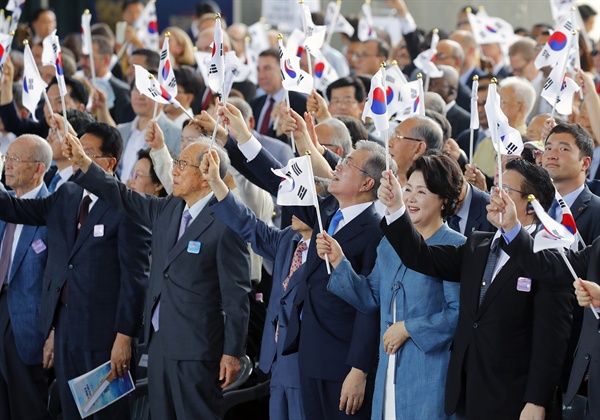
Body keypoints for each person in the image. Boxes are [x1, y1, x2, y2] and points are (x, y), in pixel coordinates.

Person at [64, 127, 251, 419]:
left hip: (199, 349)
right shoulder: (169, 208)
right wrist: (86, 165)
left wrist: (232, 352)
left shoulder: (228, 221)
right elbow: (121, 195)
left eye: (182, 165)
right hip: (160, 343)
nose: (173, 171)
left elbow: (237, 295)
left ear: (206, 173)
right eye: (176, 162)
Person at [218, 102, 385, 419]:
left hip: (341, 365)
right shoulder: (329, 215)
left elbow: (370, 308)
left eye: (347, 164)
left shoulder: (377, 232)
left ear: (367, 184)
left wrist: (359, 370)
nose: (337, 167)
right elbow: (279, 184)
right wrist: (242, 135)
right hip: (307, 357)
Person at [377, 157, 571, 419]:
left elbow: (551, 340)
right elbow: (420, 257)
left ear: (531, 204)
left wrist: (536, 400)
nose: (496, 195)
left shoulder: (550, 258)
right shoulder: (478, 244)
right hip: (468, 394)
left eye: (507, 190)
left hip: (515, 400)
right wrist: (396, 208)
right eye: (495, 188)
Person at [0, 121, 151, 420]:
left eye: (89, 152)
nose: (80, 156)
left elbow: (136, 281)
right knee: (71, 413)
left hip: (106, 338)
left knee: (106, 414)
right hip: (67, 330)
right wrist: (54, 330)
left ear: (110, 162)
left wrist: (124, 338)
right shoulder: (68, 195)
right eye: (78, 149)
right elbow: (18, 210)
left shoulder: (127, 207)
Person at [316, 152, 465, 419]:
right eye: (408, 189)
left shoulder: (457, 245)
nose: (410, 198)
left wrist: (409, 328)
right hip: (387, 371)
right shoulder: (389, 243)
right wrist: (339, 262)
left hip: (431, 373)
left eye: (422, 191)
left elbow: (459, 313)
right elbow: (369, 298)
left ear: (444, 199)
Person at [201, 148, 310, 419]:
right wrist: (216, 183)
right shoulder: (288, 239)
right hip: (276, 364)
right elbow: (249, 225)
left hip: (307, 366)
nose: (287, 208)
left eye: (297, 202)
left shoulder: (329, 251)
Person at [0, 135, 52, 420]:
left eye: (16, 160)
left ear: (38, 169)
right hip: (1, 306)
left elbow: (59, 279)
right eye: (7, 157)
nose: (8, 165)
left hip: (29, 326)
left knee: (27, 407)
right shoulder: (5, 203)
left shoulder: (52, 209)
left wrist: (54, 333)